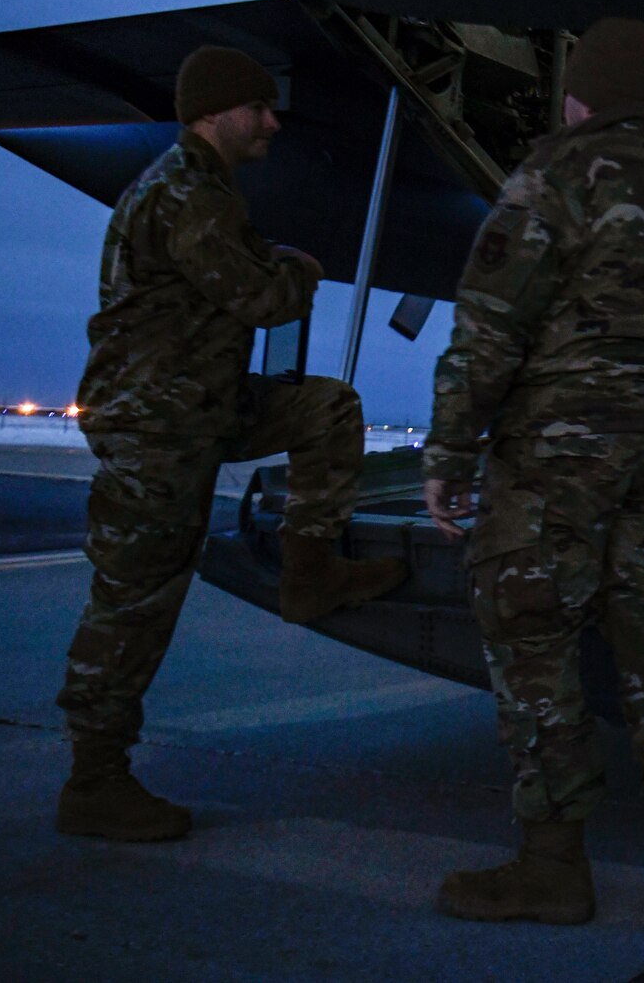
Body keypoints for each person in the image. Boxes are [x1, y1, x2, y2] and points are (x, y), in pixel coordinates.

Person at [423, 18, 644, 931]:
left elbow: (489, 328)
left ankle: (553, 866)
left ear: (581, 94)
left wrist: (449, 452)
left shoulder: (555, 176)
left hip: (557, 456)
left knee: (533, 644)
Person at [55, 46, 408, 843]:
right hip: (157, 426)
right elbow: (258, 296)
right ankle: (95, 779)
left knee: (328, 408)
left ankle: (308, 574)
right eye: (258, 108)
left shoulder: (202, 190)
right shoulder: (188, 192)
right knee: (135, 601)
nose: (273, 122)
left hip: (201, 404)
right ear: (214, 113)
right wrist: (303, 271)